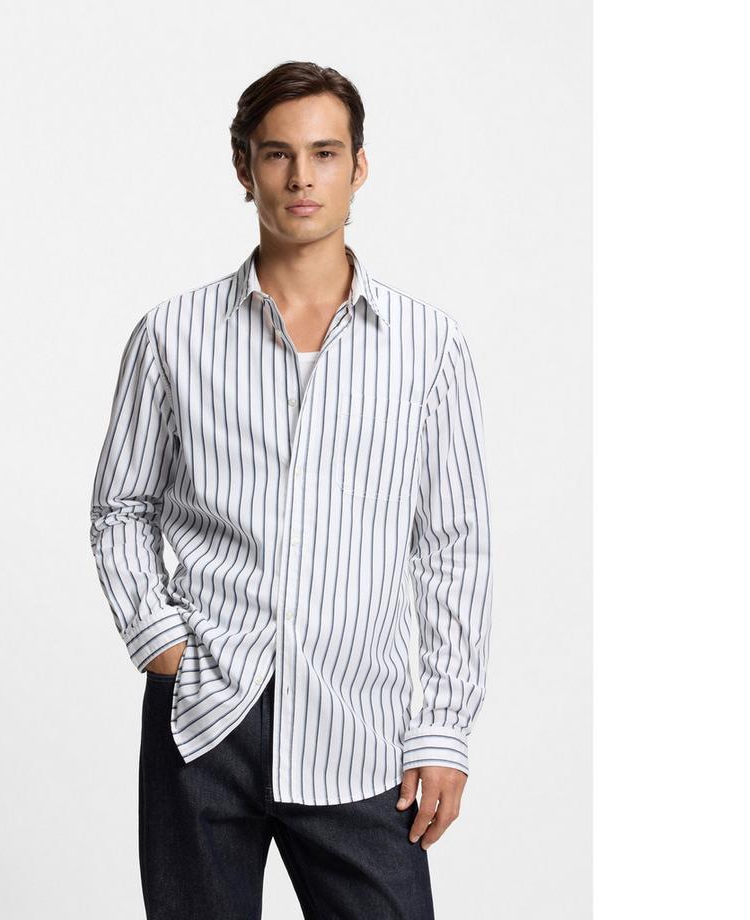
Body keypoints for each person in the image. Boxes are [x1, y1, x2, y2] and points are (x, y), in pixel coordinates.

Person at [89, 60, 493, 920]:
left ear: (359, 167)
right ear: (245, 169)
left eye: (324, 153)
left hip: (358, 728)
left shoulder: (429, 347)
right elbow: (121, 507)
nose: (301, 177)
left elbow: (453, 548)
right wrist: (162, 641)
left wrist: (443, 729)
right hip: (205, 717)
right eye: (277, 154)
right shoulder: (172, 336)